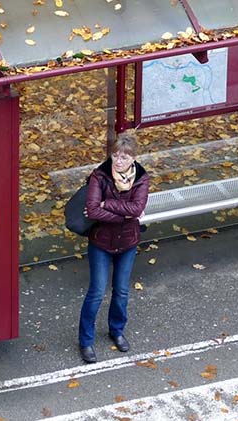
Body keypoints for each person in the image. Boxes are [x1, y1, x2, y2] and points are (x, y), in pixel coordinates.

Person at [78, 131, 149, 363]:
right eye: (116, 156)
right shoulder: (99, 176)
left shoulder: (141, 178)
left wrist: (108, 204)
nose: (118, 161)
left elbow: (137, 209)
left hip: (127, 242)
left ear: (134, 159)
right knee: (97, 292)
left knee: (121, 292)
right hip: (101, 242)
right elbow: (92, 210)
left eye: (124, 157)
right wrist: (124, 215)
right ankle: (85, 341)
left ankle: (116, 330)